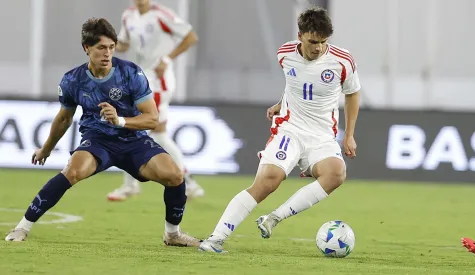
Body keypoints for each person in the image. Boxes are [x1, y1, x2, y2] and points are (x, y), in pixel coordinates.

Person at [4, 18, 201, 247]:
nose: (107, 53)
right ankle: (22, 227)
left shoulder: (130, 73)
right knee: (72, 171)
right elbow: (64, 118)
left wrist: (119, 120)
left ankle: (173, 234)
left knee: (175, 176)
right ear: (87, 48)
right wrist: (45, 148)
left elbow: (152, 118)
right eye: (101, 47)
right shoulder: (72, 80)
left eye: (111, 47)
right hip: (98, 141)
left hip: (133, 140)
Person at [198, 7, 361, 252]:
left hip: (322, 135)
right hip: (290, 130)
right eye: (313, 41)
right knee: (268, 181)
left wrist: (348, 134)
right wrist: (280, 103)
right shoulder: (284, 54)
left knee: (336, 174)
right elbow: (294, 84)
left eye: (323, 42)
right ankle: (215, 239)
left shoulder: (342, 60)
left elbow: (352, 93)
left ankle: (274, 218)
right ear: (300, 36)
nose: (318, 48)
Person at [107, 0, 204, 201]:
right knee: (157, 133)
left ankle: (131, 185)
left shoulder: (162, 14)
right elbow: (124, 44)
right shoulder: (129, 15)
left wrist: (166, 60)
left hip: (159, 81)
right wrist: (109, 43)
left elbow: (190, 36)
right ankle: (188, 182)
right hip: (142, 78)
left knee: (136, 127)